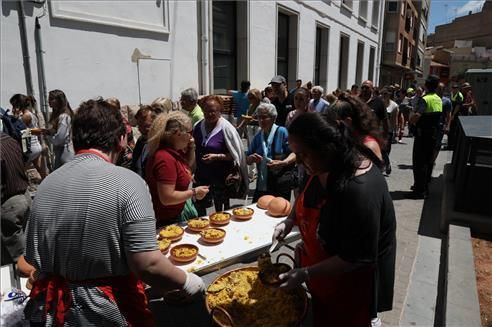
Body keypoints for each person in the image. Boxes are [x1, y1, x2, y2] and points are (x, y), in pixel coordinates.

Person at [24, 98, 206, 326]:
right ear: (121, 140)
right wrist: (187, 281)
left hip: (50, 311)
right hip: (103, 311)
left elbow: (31, 258)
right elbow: (148, 264)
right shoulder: (128, 182)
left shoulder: (47, 184)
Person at [272, 112, 396, 327]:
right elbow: (304, 196)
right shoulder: (323, 163)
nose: (299, 162)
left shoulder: (360, 191)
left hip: (350, 284)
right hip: (323, 275)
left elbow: (356, 258)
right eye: (296, 154)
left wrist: (306, 273)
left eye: (303, 155)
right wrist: (289, 220)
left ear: (326, 149)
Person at [145, 111, 209, 227]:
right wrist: (194, 192)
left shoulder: (174, 152)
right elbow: (167, 198)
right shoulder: (164, 158)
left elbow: (185, 168)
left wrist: (191, 148)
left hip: (174, 216)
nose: (191, 137)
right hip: (166, 221)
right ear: (177, 133)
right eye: (190, 132)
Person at [193, 95, 248, 216]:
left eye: (213, 111)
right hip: (201, 177)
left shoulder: (227, 129)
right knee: (200, 212)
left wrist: (217, 156)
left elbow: (235, 155)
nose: (209, 114)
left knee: (221, 214)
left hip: (221, 180)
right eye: (206, 110)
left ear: (220, 112)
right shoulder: (197, 127)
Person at [246, 103, 296, 201]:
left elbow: (294, 153)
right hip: (262, 183)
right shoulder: (258, 136)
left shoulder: (282, 132)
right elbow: (247, 159)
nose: (261, 120)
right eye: (259, 117)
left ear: (273, 118)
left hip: (280, 182)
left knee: (278, 212)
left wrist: (284, 162)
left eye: (264, 117)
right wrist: (251, 158)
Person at [409, 75, 443, 199]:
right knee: (429, 162)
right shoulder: (438, 99)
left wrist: (411, 120)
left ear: (427, 85)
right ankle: (424, 187)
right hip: (433, 135)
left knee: (419, 162)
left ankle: (419, 191)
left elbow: (417, 115)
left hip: (422, 134)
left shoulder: (425, 99)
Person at [0, 132, 31, 265]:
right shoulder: (10, 140)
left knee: (17, 259)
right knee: (29, 247)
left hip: (9, 204)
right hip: (25, 196)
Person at [331, 93, 384, 165]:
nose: (330, 125)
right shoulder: (341, 138)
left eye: (334, 122)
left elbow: (375, 174)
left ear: (347, 121)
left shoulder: (369, 146)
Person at [11, 94, 48, 178]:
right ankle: (47, 181)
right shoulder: (31, 114)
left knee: (19, 169)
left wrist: (15, 116)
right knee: (39, 168)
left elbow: (19, 131)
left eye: (13, 105)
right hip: (35, 145)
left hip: (28, 147)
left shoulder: (25, 116)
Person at [43, 89, 74, 169]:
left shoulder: (64, 117)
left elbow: (59, 139)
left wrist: (47, 136)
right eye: (48, 99)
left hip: (65, 152)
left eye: (51, 99)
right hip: (61, 152)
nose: (48, 101)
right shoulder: (58, 116)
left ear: (59, 100)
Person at [131, 105, 164, 178]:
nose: (140, 129)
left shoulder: (161, 144)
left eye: (146, 126)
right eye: (139, 125)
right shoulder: (140, 141)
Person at [381, 87, 399, 175]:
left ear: (390, 95)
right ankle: (384, 164)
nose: (384, 96)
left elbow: (394, 120)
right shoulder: (379, 103)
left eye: (386, 94)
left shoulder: (394, 105)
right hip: (378, 129)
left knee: (386, 149)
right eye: (383, 94)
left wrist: (395, 132)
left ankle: (386, 164)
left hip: (388, 130)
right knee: (380, 148)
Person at [435, 83, 452, 160]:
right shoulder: (432, 99)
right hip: (431, 125)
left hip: (440, 126)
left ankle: (433, 160)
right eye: (438, 88)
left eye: (441, 89)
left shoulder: (447, 101)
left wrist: (448, 126)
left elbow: (449, 115)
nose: (440, 90)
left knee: (438, 144)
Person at [447, 84, 464, 149]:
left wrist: (453, 115)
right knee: (450, 129)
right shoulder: (451, 93)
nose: (454, 89)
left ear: (458, 89)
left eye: (456, 88)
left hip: (455, 114)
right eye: (453, 88)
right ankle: (449, 144)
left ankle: (452, 145)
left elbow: (457, 106)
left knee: (453, 130)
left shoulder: (459, 95)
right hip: (451, 113)